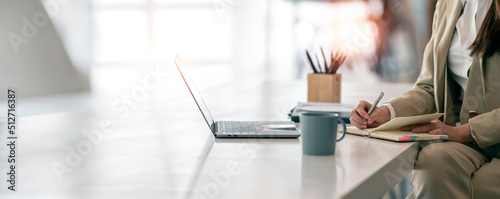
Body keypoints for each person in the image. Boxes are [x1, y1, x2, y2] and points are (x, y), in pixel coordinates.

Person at [350, 0, 500, 198]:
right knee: (433, 162)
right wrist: (386, 113)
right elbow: (430, 87)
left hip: (475, 137)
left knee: (476, 188)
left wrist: (464, 132)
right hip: (473, 146)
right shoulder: (447, 5)